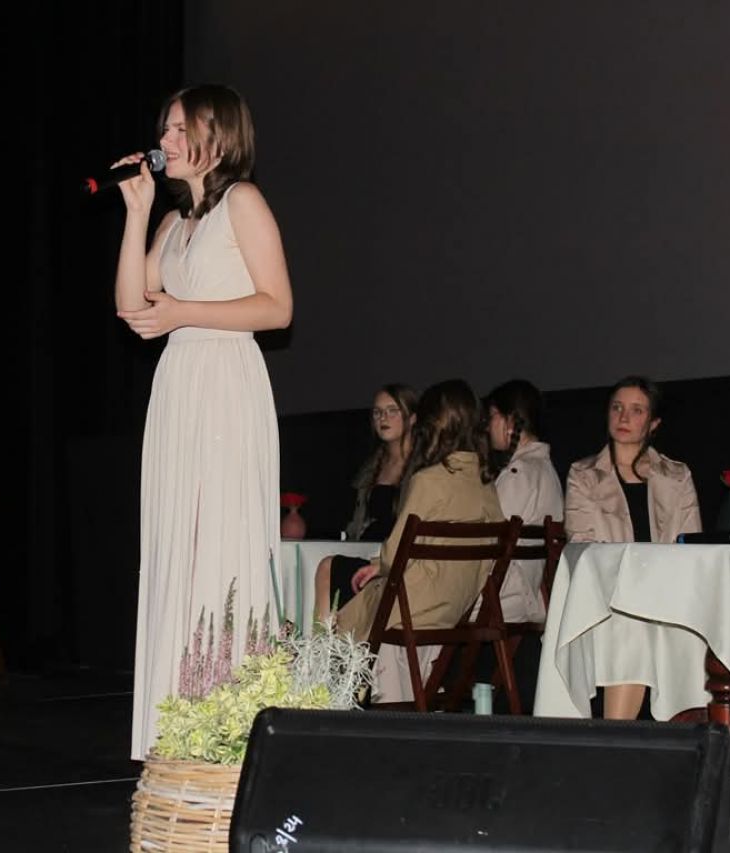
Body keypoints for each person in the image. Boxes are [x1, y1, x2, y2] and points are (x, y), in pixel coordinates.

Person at [112, 84, 293, 760]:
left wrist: (184, 312)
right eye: (164, 127)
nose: (165, 139)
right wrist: (137, 214)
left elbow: (277, 308)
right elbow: (132, 306)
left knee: (220, 541)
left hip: (225, 378)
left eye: (179, 128)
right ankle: (176, 721)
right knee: (175, 546)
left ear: (218, 137)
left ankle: (229, 719)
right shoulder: (172, 222)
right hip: (179, 385)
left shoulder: (242, 201)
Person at [333, 380, 504, 703]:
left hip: (412, 608)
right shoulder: (486, 482)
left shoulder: (428, 480)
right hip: (458, 605)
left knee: (342, 598)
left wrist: (380, 564)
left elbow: (395, 552)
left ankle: (331, 691)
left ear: (429, 426)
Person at [564, 375, 700, 719]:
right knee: (631, 625)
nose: (624, 417)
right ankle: (618, 736)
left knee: (695, 625)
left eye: (636, 410)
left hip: (665, 594)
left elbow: (690, 546)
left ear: (653, 423)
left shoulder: (677, 475)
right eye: (617, 408)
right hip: (608, 595)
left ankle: (686, 737)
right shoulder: (583, 475)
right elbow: (582, 546)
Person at [312, 383, 418, 621]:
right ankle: (323, 639)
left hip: (396, 561)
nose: (383, 418)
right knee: (325, 564)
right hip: (367, 551)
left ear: (412, 418)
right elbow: (357, 520)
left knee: (329, 567)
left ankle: (322, 641)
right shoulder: (372, 465)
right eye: (377, 412)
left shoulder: (421, 468)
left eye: (392, 411)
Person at [480, 379, 564, 625]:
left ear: (510, 422)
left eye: (492, 417)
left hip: (503, 596)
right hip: (524, 592)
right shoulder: (546, 470)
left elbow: (488, 539)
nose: (487, 426)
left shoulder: (519, 473)